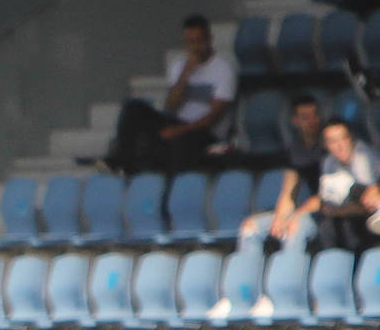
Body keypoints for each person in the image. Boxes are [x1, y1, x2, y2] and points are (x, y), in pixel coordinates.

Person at [102, 14, 237, 175]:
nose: (195, 47)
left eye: (199, 41)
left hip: (204, 133)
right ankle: (122, 163)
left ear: (209, 39)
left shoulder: (224, 70)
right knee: (134, 107)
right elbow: (171, 105)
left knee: (180, 142)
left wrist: (179, 130)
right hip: (178, 122)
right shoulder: (179, 66)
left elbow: (213, 117)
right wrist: (184, 75)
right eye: (190, 42)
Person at [236, 94, 325, 254]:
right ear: (295, 121)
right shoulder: (295, 150)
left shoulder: (328, 147)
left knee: (294, 227)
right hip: (306, 211)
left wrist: (294, 216)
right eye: (305, 117)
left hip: (325, 213)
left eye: (314, 115)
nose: (312, 121)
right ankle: (249, 276)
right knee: (250, 227)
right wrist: (279, 218)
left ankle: (288, 277)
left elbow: (327, 195)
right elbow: (288, 193)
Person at [307, 118, 380, 256]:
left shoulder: (363, 156)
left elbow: (368, 201)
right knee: (325, 226)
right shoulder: (328, 162)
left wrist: (340, 210)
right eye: (333, 141)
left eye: (343, 139)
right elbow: (326, 206)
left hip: (369, 216)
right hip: (349, 213)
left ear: (350, 138)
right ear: (325, 144)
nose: (340, 145)